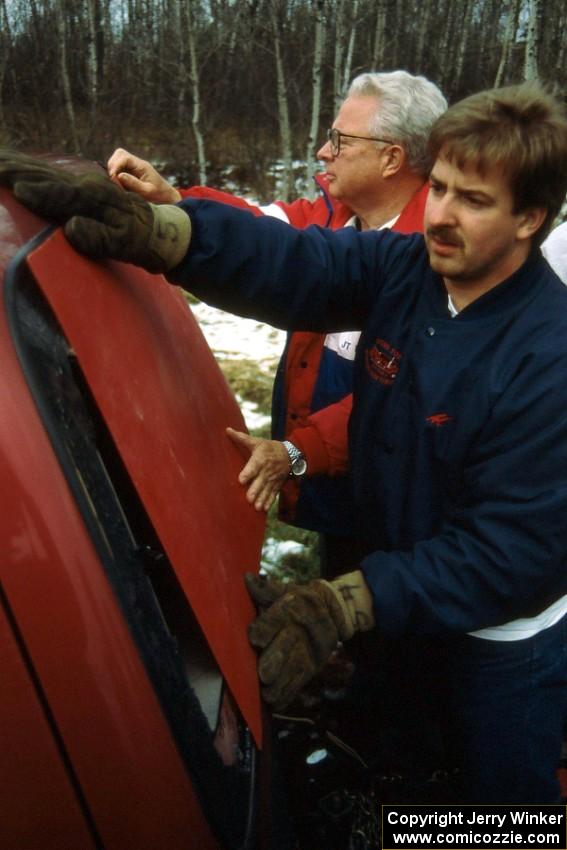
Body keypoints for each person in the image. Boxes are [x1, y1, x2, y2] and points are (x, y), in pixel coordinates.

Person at [1, 80, 567, 804]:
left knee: (501, 802)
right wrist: (168, 233)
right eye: (444, 189)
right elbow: (302, 262)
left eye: (475, 202)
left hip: (500, 639)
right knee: (411, 765)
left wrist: (345, 603)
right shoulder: (411, 272)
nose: (443, 218)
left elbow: (506, 554)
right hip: (406, 587)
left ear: (531, 220)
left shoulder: (546, 357)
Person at [107, 71, 448, 577]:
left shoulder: (439, 257)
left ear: (391, 158)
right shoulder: (333, 218)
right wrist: (174, 204)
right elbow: (258, 229)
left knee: (391, 615)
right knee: (340, 585)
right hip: (339, 492)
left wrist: (297, 450)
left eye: (340, 139)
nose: (322, 152)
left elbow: (404, 392)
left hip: (403, 511)